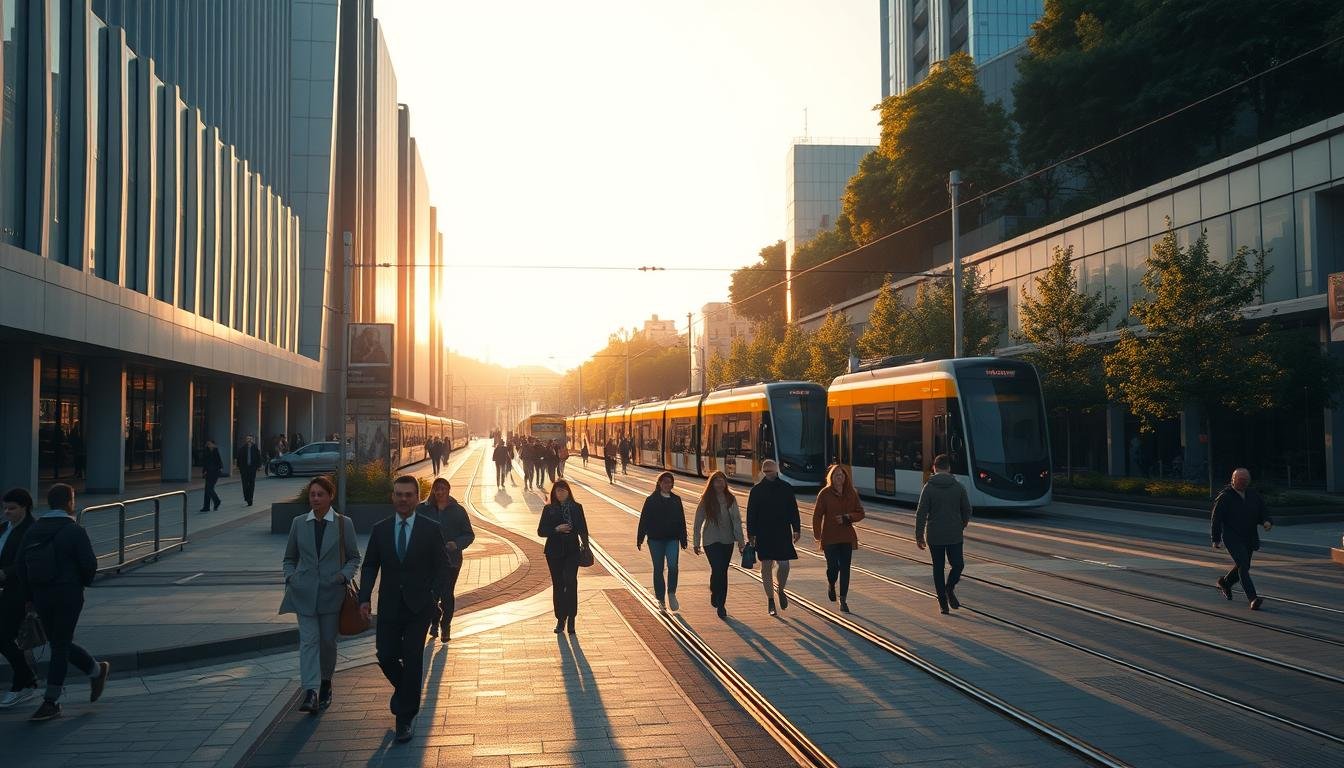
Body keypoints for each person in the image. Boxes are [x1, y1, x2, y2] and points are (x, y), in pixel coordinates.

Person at [358, 476, 451, 743]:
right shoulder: (381, 529)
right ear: (392, 497)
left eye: (409, 495)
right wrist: (364, 598)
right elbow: (369, 565)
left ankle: (405, 718)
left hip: (419, 607)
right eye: (399, 494)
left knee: (412, 658)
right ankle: (408, 692)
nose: (403, 499)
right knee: (385, 655)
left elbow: (443, 566)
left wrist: (433, 595)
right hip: (388, 606)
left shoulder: (430, 528)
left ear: (416, 497)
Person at [17, 483, 111, 721]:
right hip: (68, 594)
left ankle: (95, 672)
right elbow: (89, 565)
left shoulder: (33, 530)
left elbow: (21, 566)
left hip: (41, 595)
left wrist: (29, 597)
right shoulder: (75, 531)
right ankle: (52, 700)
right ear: (69, 502)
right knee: (60, 644)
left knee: (58, 642)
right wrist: (81, 581)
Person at [279, 476, 361, 714]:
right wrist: (290, 576)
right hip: (303, 593)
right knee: (308, 642)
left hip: (331, 594)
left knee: (327, 642)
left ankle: (326, 682)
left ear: (330, 496)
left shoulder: (344, 523)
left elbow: (354, 557)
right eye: (312, 494)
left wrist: (343, 576)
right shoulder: (298, 523)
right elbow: (289, 558)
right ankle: (311, 691)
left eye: (320, 494)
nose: (315, 498)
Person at [417, 478, 474, 642]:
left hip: (451, 560)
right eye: (437, 489)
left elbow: (469, 534)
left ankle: (446, 626)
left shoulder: (458, 510)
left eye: (443, 489)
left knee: (447, 593)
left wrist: (456, 544)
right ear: (433, 491)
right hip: (429, 561)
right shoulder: (423, 509)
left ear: (448, 490)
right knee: (432, 594)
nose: (439, 492)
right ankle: (434, 621)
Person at [914, 454, 972, 615]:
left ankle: (943, 604)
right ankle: (950, 588)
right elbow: (967, 509)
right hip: (954, 534)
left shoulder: (929, 487)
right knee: (958, 564)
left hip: (935, 535)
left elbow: (921, 513)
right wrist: (962, 524)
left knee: (938, 568)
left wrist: (919, 535)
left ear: (934, 468)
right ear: (949, 468)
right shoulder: (958, 487)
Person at [1212, 467, 1272, 610]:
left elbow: (1262, 511)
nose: (1243, 483)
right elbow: (1216, 518)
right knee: (1243, 566)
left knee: (1243, 565)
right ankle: (1253, 598)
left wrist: (1266, 521)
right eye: (1240, 480)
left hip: (1249, 537)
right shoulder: (1225, 496)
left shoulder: (1253, 495)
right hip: (1232, 537)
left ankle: (1225, 582)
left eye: (1245, 480)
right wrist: (1216, 539)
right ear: (1233, 480)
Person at [0, 488, 39, 708]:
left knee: (4, 636)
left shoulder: (31, 530)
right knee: (6, 638)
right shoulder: (4, 528)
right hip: (3, 591)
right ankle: (26, 680)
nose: (7, 513)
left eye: (12, 508)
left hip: (18, 592)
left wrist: (6, 572)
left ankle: (23, 682)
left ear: (25, 507)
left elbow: (29, 561)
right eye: (5, 508)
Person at [746, 460, 799, 616]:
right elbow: (751, 514)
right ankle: (770, 599)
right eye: (766, 470)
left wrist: (796, 529)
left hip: (782, 532)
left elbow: (793, 510)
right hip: (763, 533)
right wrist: (751, 534)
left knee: (784, 565)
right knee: (766, 566)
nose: (768, 473)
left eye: (771, 470)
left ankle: (780, 589)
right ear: (763, 472)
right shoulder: (756, 491)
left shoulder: (786, 488)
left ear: (776, 471)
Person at [537, 480, 589, 635]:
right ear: (554, 493)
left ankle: (571, 618)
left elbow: (583, 529)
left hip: (572, 551)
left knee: (570, 582)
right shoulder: (549, 509)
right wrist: (556, 529)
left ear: (568, 492)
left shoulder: (576, 508)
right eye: (558, 491)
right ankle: (561, 618)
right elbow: (541, 531)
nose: (561, 494)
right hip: (554, 552)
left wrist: (585, 546)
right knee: (558, 584)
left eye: (563, 491)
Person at [813, 464, 865, 613]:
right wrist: (817, 534)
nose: (839, 477)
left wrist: (849, 517)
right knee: (833, 568)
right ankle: (831, 584)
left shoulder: (851, 493)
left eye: (841, 475)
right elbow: (817, 515)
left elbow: (860, 512)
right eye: (836, 475)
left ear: (845, 477)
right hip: (829, 537)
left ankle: (843, 600)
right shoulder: (824, 494)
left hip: (846, 537)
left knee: (845, 569)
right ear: (831, 478)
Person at [693, 471, 743, 619]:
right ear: (712, 483)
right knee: (718, 569)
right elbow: (698, 522)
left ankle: (721, 603)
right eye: (716, 481)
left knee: (722, 571)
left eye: (722, 481)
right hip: (711, 540)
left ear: (725, 483)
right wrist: (696, 542)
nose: (719, 484)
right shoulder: (706, 500)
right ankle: (716, 594)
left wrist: (741, 542)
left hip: (727, 540)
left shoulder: (730, 499)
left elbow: (737, 521)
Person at [637, 472, 688, 612]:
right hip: (655, 540)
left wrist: (683, 538)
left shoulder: (676, 500)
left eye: (670, 482)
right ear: (659, 483)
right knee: (658, 569)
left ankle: (671, 593)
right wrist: (640, 538)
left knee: (673, 566)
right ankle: (660, 598)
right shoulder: (651, 500)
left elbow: (681, 520)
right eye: (665, 482)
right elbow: (644, 520)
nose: (667, 484)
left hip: (672, 538)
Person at [235, 435, 264, 507]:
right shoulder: (242, 448)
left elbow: (258, 457)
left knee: (251, 484)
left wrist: (259, 466)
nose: (249, 440)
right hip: (244, 469)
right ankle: (247, 497)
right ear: (246, 440)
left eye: (250, 439)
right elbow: (239, 458)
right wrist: (239, 467)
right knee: (245, 484)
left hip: (252, 469)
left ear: (252, 440)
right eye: (248, 439)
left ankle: (250, 498)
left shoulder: (255, 448)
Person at [200, 438, 224, 512]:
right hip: (208, 472)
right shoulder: (206, 451)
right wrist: (204, 471)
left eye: (210, 444)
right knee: (207, 489)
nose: (209, 445)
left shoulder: (216, 451)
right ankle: (206, 506)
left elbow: (219, 462)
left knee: (209, 488)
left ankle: (216, 501)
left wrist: (220, 469)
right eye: (208, 444)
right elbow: (204, 462)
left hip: (215, 472)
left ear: (214, 445)